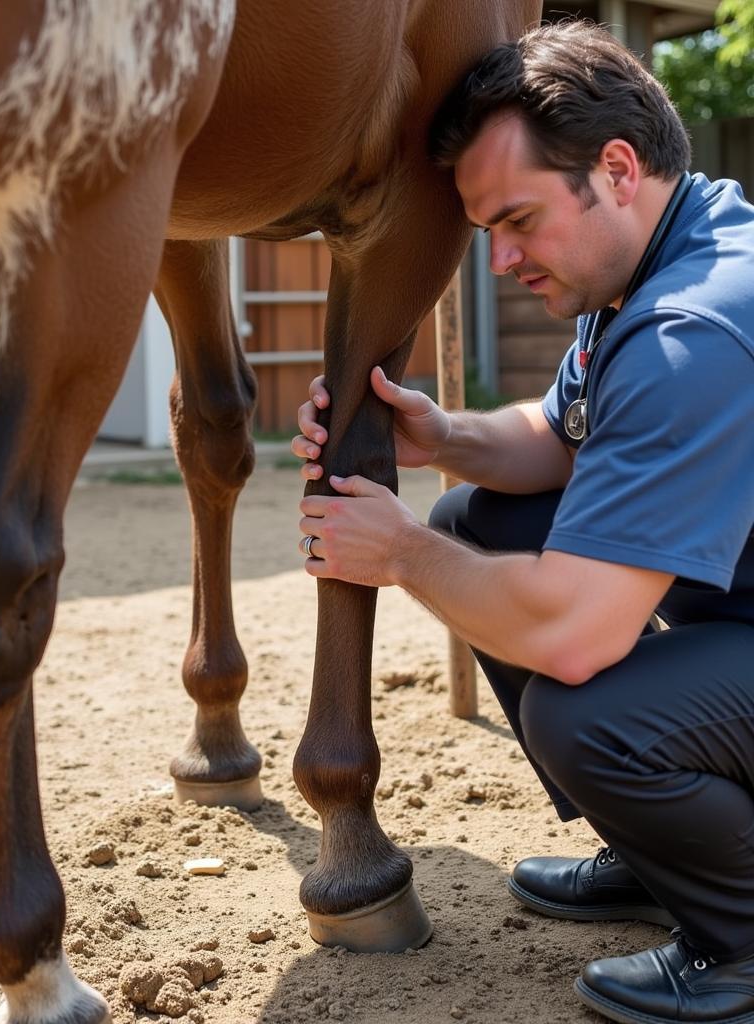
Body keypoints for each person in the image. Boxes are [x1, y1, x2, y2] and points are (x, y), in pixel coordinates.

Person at [292, 21, 754, 1024]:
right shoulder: (653, 262)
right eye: (484, 231)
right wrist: (439, 437)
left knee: (586, 711)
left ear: (616, 169)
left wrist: (403, 553)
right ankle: (659, 856)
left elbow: (576, 632)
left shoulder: (694, 327)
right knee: (482, 517)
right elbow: (559, 435)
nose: (497, 260)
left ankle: (743, 943)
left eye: (516, 220)